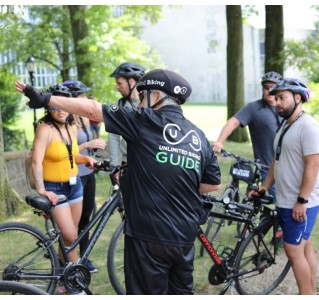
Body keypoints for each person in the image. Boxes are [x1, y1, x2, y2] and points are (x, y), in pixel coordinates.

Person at [15, 69, 221, 295]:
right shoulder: (199, 136)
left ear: (156, 96)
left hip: (147, 235)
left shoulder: (143, 120)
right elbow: (212, 184)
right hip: (184, 236)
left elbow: (93, 109)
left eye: (143, 97)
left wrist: (44, 98)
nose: (140, 103)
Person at [252, 78, 319, 295]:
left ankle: (306, 295)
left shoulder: (307, 126)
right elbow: (276, 160)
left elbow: (314, 164)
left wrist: (302, 200)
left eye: (282, 97)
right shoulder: (286, 125)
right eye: (275, 97)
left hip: (300, 202)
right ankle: (312, 292)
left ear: (297, 98)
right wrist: (265, 186)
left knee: (292, 249)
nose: (277, 101)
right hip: (286, 198)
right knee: (304, 246)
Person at [30, 84, 96, 266]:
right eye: (54, 106)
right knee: (70, 235)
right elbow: (36, 162)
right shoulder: (45, 129)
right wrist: (42, 190)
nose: (60, 111)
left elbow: (71, 155)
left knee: (70, 237)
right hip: (54, 189)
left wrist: (87, 160)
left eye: (63, 105)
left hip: (75, 187)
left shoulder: (72, 128)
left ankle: (63, 274)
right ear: (48, 107)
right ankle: (76, 282)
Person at [213, 71, 283, 200]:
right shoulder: (253, 108)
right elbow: (233, 122)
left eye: (273, 87)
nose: (269, 90)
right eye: (266, 87)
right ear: (262, 88)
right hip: (267, 167)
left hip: (288, 166)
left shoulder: (285, 108)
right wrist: (219, 142)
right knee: (281, 201)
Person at [62, 80, 107, 273]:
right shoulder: (65, 119)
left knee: (86, 217)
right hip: (74, 174)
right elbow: (66, 151)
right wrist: (87, 146)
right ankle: (68, 260)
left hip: (88, 173)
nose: (84, 99)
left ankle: (84, 256)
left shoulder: (84, 118)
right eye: (80, 96)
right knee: (73, 222)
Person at [108, 62, 145, 166]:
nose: (116, 87)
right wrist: (114, 165)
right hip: (128, 163)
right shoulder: (117, 106)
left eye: (119, 83)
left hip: (150, 163)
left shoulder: (152, 104)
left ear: (131, 82)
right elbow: (113, 138)